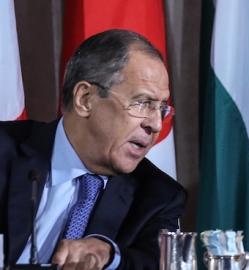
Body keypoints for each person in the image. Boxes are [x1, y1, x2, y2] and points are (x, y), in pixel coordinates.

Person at [0, 29, 186, 269]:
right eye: (142, 103)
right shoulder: (4, 151)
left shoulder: (159, 196)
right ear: (85, 99)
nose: (156, 124)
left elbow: (155, 263)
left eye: (162, 108)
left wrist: (109, 257)